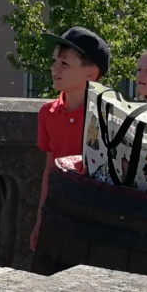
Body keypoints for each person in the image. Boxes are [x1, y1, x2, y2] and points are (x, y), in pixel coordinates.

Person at [31, 26, 110, 252]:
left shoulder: (108, 114)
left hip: (95, 217)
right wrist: (40, 220)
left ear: (90, 72)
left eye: (64, 63)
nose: (54, 67)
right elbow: (49, 168)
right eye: (55, 60)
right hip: (59, 210)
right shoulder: (48, 112)